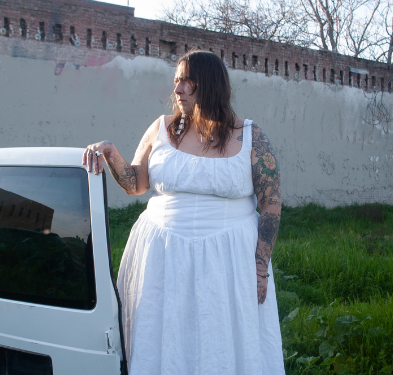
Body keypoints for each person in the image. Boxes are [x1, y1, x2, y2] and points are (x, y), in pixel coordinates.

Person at [81, 50, 284, 374]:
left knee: (223, 341)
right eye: (176, 82)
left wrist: (260, 270)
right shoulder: (162, 129)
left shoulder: (250, 136)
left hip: (228, 261)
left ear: (209, 85)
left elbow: (271, 203)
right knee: (164, 338)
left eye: (186, 82)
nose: (177, 90)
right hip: (162, 256)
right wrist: (111, 154)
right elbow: (137, 183)